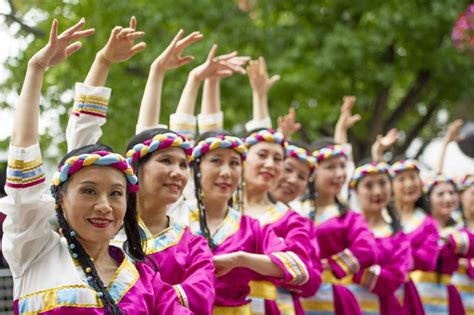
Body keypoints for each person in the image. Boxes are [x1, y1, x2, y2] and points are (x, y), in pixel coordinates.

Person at [1, 18, 190, 314]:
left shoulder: (144, 277)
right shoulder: (35, 251)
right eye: (89, 191)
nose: (104, 205)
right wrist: (36, 70)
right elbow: (28, 160)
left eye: (116, 194)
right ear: (60, 199)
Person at [65, 20, 216, 314]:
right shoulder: (103, 227)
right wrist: (103, 62)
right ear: (135, 170)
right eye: (165, 161)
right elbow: (82, 140)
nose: (177, 172)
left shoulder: (192, 244)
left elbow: (200, 299)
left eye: (184, 165)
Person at [176, 131, 310, 314]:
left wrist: (239, 259)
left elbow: (299, 268)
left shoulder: (251, 227)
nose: (226, 172)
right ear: (195, 168)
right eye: (216, 161)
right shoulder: (175, 216)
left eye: (234, 163)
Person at [349, 162, 411, 315]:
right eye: (368, 186)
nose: (377, 191)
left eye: (383, 183)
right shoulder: (344, 227)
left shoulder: (397, 235)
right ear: (355, 191)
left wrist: (350, 269)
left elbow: (395, 277)